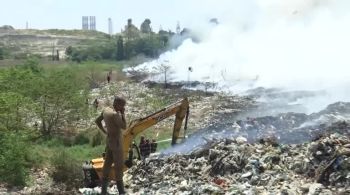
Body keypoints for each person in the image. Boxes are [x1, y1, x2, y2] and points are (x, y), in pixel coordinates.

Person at [95, 96, 127, 195]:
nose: (123, 107)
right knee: (119, 167)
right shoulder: (114, 115)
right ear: (118, 104)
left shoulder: (106, 110)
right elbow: (124, 126)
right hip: (117, 143)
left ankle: (103, 191)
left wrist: (105, 131)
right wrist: (122, 113)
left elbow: (97, 121)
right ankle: (121, 192)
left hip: (109, 140)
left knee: (107, 164)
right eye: (122, 106)